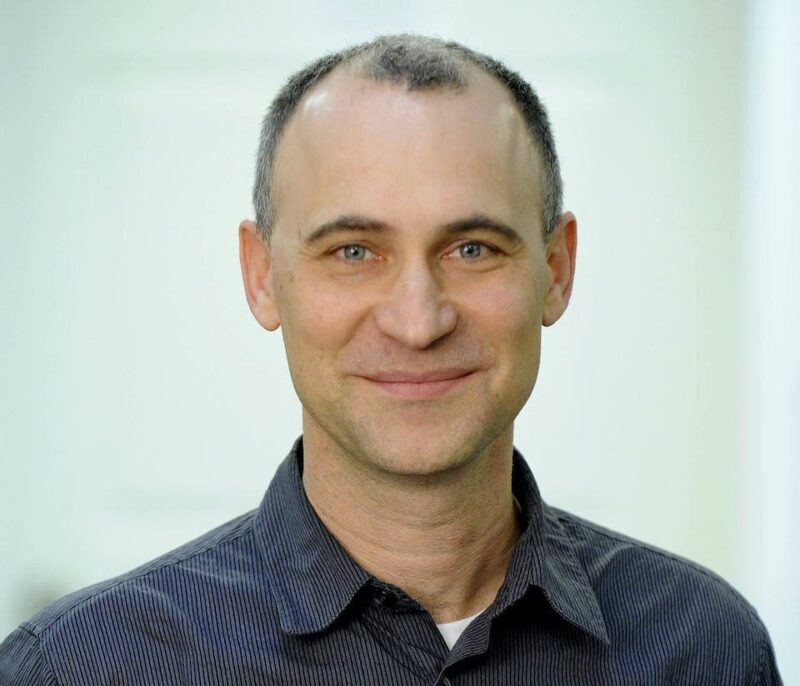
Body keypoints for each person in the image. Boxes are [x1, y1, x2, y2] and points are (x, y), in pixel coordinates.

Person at [0, 34, 782, 685]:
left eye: (472, 248)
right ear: (262, 276)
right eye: (353, 250)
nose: (417, 321)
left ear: (557, 268)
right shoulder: (78, 669)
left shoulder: (707, 649)